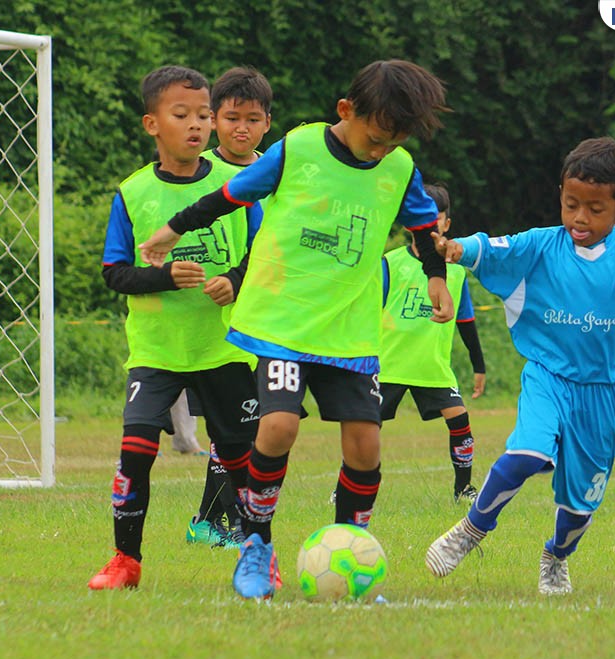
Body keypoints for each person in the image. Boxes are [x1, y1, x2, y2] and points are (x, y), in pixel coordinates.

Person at [139, 59, 453, 600]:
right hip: (282, 322)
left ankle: (353, 547)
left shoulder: (399, 167)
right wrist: (172, 228)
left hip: (349, 330)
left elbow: (424, 226)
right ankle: (256, 546)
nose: (380, 151)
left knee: (365, 445)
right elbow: (231, 195)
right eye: (375, 138)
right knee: (279, 426)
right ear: (346, 111)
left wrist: (436, 278)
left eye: (392, 142)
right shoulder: (298, 148)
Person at [424, 137, 615, 594]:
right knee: (530, 452)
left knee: (581, 502)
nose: (579, 218)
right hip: (549, 375)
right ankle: (471, 531)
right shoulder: (541, 246)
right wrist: (457, 249)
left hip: (606, 389)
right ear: (560, 194)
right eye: (571, 204)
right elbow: (493, 249)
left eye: (595, 209)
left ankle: (555, 556)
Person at [87, 65, 262, 590]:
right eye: (181, 114)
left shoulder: (237, 188)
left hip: (224, 349)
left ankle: (256, 556)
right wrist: (163, 277)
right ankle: (125, 562)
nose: (197, 125)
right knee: (136, 449)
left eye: (204, 116)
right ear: (151, 124)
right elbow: (114, 272)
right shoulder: (133, 192)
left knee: (242, 462)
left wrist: (234, 277)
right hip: (157, 351)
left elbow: (264, 255)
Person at [184, 66, 274, 550]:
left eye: (252, 119)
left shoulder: (277, 173)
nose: (242, 128)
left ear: (266, 124)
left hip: (267, 320)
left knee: (253, 427)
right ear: (214, 119)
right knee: (237, 427)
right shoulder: (198, 175)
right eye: (232, 117)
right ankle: (218, 521)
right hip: (211, 327)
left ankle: (214, 520)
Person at [380, 182, 486, 502]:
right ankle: (344, 485)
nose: (429, 225)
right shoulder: (390, 263)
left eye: (436, 218)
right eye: (421, 218)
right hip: (388, 365)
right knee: (364, 426)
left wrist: (478, 365)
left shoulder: (455, 273)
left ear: (447, 224)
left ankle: (463, 488)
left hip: (432, 366)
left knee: (460, 421)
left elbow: (465, 321)